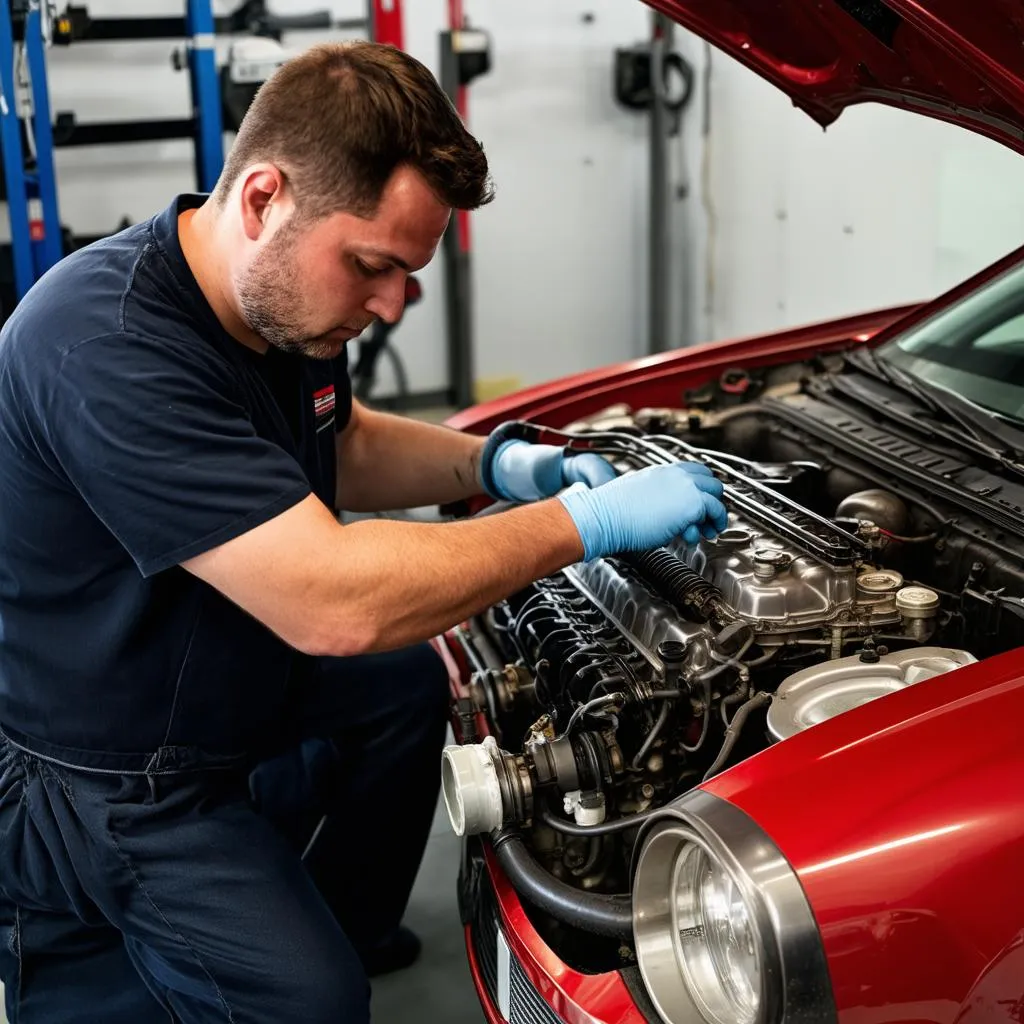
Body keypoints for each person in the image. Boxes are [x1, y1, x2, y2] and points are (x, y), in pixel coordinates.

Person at [0, 40, 728, 1024]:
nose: (389, 304)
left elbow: (334, 436)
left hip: (217, 654)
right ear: (263, 198)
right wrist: (578, 522)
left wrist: (498, 464)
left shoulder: (269, 308)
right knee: (310, 1000)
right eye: (373, 266)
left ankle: (337, 915)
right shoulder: (105, 342)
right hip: (108, 765)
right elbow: (330, 601)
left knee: (406, 685)